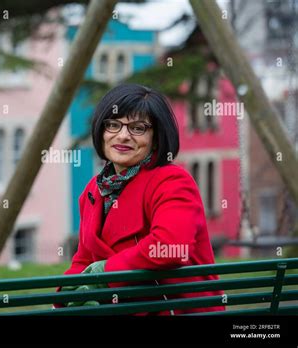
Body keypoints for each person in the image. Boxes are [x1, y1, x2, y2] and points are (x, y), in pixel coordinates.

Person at [56, 84, 225, 315]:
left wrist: (106, 272)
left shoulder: (172, 181)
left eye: (138, 128)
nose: (123, 136)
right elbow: (83, 259)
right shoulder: (93, 190)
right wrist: (65, 295)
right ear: (101, 131)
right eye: (113, 125)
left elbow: (172, 246)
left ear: (156, 138)